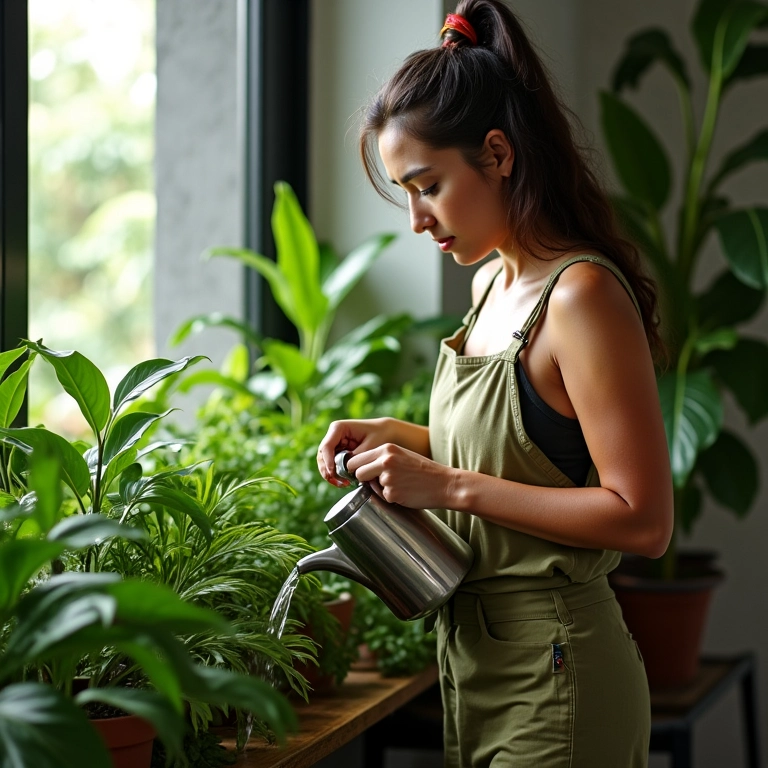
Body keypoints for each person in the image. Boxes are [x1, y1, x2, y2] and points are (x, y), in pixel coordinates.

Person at [316, 1, 674, 766]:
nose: (416, 219)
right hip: (476, 665)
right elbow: (529, 443)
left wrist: (443, 486)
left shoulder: (579, 297)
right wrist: (398, 443)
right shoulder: (490, 286)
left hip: (558, 670)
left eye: (428, 186)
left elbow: (643, 519)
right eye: (404, 193)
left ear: (498, 153)